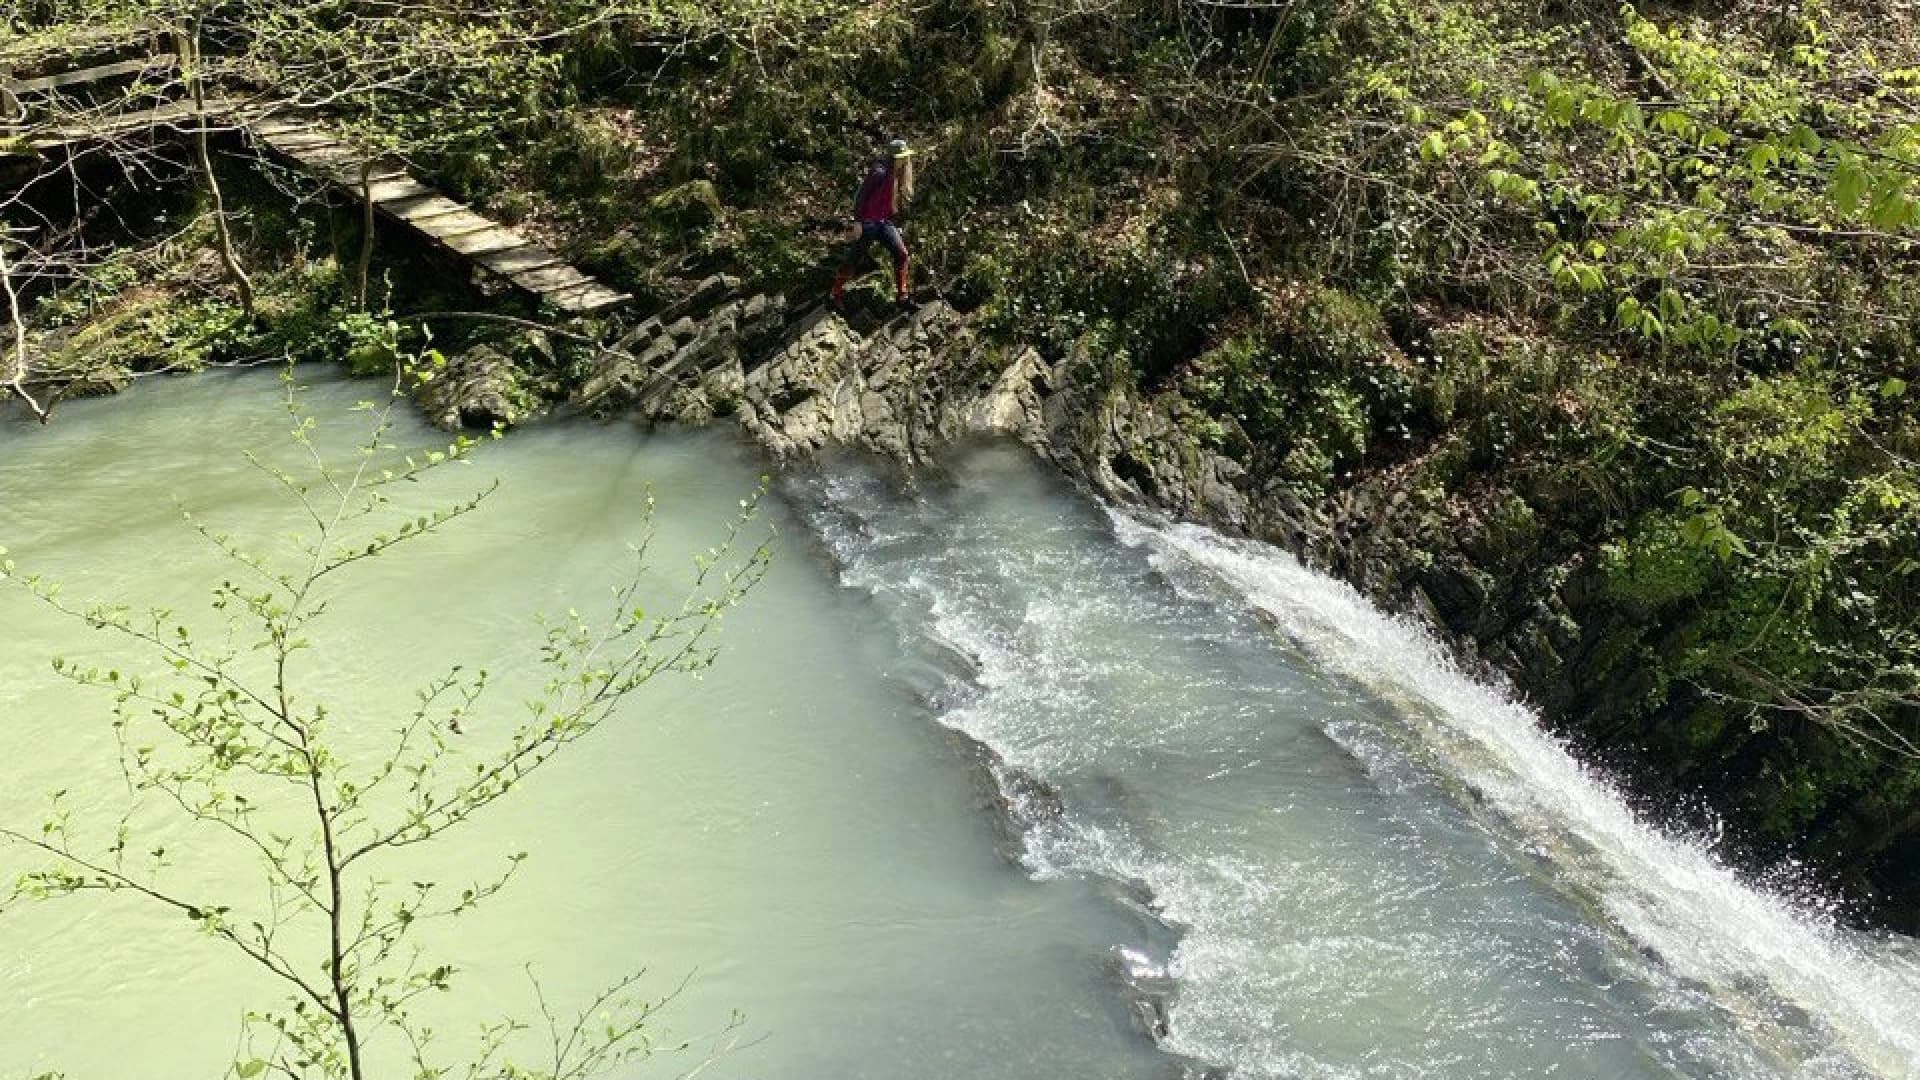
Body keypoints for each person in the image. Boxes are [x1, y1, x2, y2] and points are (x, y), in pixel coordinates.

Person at [830, 138, 915, 310]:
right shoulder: (879, 172)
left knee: (902, 254)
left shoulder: (895, 172)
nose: (906, 160)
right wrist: (858, 223)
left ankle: (902, 296)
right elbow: (860, 197)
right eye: (903, 157)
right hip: (868, 223)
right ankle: (835, 294)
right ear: (895, 158)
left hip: (884, 223)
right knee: (853, 259)